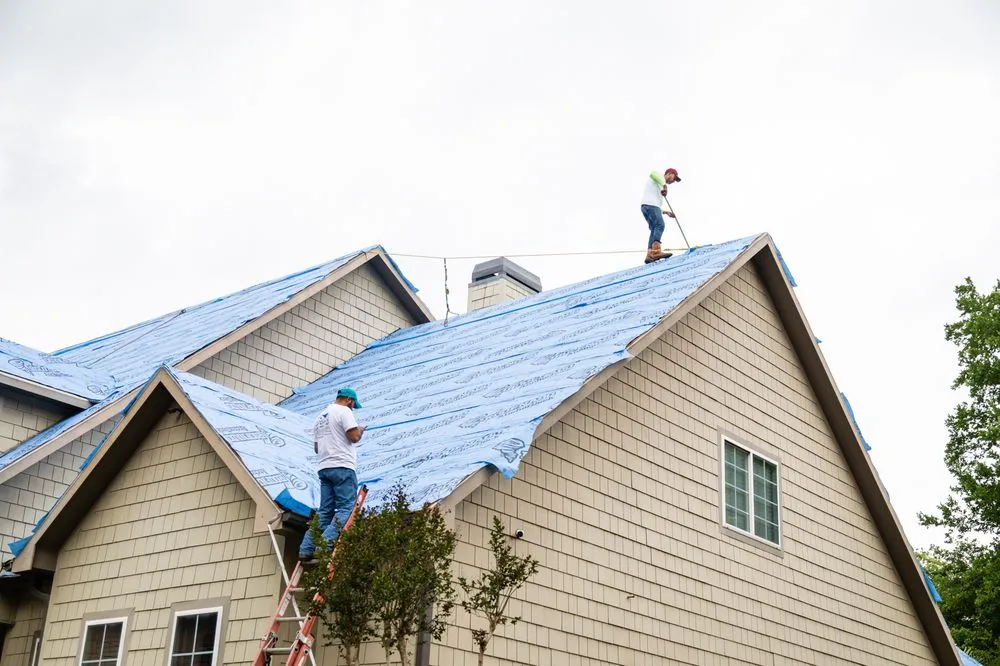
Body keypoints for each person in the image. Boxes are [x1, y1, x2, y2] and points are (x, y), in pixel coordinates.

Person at [298, 387, 365, 562]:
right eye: (353, 405)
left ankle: (306, 549)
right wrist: (360, 430)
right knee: (347, 508)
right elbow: (354, 437)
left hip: (324, 467)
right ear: (349, 400)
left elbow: (316, 448)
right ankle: (324, 545)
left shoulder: (321, 417)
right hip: (342, 466)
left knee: (325, 511)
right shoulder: (344, 411)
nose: (352, 408)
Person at [641, 168, 681, 263]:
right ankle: (656, 251)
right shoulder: (658, 176)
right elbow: (652, 173)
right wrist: (664, 186)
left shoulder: (659, 185)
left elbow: (656, 206)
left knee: (654, 228)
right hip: (651, 206)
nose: (673, 181)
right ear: (669, 174)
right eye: (674, 178)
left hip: (647, 206)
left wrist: (665, 212)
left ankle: (650, 254)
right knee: (660, 225)